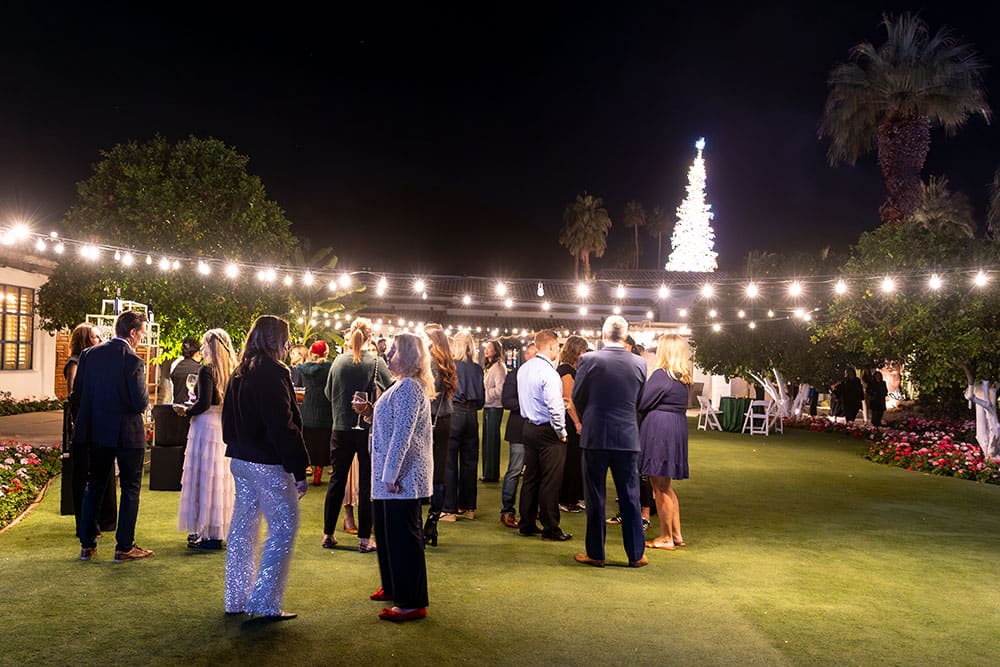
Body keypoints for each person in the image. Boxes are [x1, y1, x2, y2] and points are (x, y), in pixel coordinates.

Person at [222, 315, 309, 620]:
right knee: (283, 529)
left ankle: (236, 596)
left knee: (243, 529)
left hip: (241, 459)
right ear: (277, 340)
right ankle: (265, 601)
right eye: (286, 339)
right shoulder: (273, 372)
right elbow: (282, 425)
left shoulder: (240, 370)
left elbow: (227, 420)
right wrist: (299, 468)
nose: (288, 345)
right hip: (267, 462)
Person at [73, 310, 152, 563]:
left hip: (97, 432)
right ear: (132, 333)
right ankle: (124, 547)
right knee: (130, 488)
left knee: (94, 484)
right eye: (141, 333)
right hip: (128, 434)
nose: (141, 338)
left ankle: (87, 545)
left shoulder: (89, 355)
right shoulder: (133, 360)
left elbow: (77, 394)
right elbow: (140, 402)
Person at [366, 333, 434, 622]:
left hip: (403, 477)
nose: (388, 356)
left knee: (403, 537)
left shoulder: (409, 387)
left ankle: (411, 601)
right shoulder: (401, 385)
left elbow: (402, 436)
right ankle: (395, 586)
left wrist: (391, 473)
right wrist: (370, 415)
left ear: (407, 355)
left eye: (393, 351)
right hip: (390, 476)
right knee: (387, 533)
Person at [572, 316, 648, 568]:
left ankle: (596, 553)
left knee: (595, 496)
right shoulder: (639, 363)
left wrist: (590, 417)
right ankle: (636, 554)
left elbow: (578, 397)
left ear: (603, 334)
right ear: (625, 336)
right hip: (627, 436)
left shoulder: (589, 360)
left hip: (596, 434)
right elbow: (639, 401)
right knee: (630, 496)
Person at [322, 318, 390, 552]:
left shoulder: (338, 361)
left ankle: (328, 534)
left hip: (340, 428)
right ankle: (364, 539)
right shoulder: (376, 362)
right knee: (366, 482)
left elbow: (328, 393)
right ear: (370, 337)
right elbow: (390, 391)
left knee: (337, 480)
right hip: (367, 429)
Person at [175, 328, 237, 550]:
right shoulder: (233, 370)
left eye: (204, 344)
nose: (201, 348)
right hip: (222, 427)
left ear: (211, 346)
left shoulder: (207, 370)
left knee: (205, 478)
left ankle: (208, 534)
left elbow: (203, 403)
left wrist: (186, 410)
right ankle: (214, 530)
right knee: (218, 479)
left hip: (205, 427)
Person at [516, 329, 571, 542]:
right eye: (557, 346)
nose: (558, 350)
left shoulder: (524, 368)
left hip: (529, 427)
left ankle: (527, 523)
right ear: (551, 346)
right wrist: (562, 432)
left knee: (531, 477)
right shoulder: (549, 373)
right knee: (550, 480)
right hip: (548, 431)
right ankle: (551, 528)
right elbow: (555, 406)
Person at [63, 322, 117, 537]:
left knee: (103, 473)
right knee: (84, 476)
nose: (100, 340)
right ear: (84, 340)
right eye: (95, 337)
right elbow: (74, 397)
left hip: (100, 425)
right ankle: (86, 525)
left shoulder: (96, 363)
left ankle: (104, 521)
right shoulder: (75, 363)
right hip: (85, 427)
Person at [638, 334, 690, 551]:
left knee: (659, 486)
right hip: (675, 428)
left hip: (660, 430)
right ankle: (676, 534)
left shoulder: (661, 375)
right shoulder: (682, 377)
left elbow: (642, 402)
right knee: (666, 486)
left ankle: (666, 537)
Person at [420, 323, 458, 546]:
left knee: (423, 469)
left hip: (430, 419)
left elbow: (427, 393)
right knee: (439, 473)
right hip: (444, 420)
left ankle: (423, 524)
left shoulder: (431, 362)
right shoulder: (448, 362)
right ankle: (432, 524)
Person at [441, 331, 484, 521]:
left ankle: (449, 509)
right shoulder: (477, 369)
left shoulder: (450, 366)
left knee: (449, 462)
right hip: (472, 414)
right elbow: (482, 399)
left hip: (455, 412)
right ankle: (468, 508)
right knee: (470, 462)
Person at [499, 343, 535, 528]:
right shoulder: (515, 375)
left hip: (537, 430)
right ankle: (507, 510)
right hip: (519, 429)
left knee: (534, 472)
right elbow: (507, 401)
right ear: (527, 356)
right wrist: (529, 405)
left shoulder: (541, 374)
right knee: (514, 470)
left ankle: (530, 510)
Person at [557, 336, 588, 514]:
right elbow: (568, 400)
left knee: (575, 460)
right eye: (583, 350)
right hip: (570, 421)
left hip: (573, 420)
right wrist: (577, 422)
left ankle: (573, 497)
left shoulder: (570, 369)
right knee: (571, 460)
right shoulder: (566, 371)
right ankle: (566, 499)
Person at [299, 340, 333, 485]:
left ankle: (304, 470)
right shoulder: (329, 368)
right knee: (322, 444)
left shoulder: (303, 368)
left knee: (307, 442)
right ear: (326, 352)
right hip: (325, 410)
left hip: (308, 410)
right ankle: (318, 475)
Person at [481, 339, 506, 482]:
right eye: (486, 348)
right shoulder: (489, 367)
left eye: (489, 348)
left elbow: (500, 390)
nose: (486, 350)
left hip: (494, 407)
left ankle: (491, 473)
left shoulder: (498, 367)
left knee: (491, 441)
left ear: (496, 351)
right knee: (487, 441)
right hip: (488, 406)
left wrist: (485, 395)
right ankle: (488, 472)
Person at [170, 336, 202, 405]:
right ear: (197, 353)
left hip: (177, 407)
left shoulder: (177, 367)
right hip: (192, 407)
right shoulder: (200, 369)